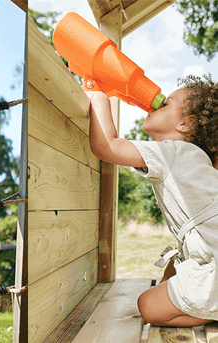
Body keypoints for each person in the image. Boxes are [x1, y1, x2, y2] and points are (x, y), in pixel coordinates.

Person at [87, 75, 218, 327]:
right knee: (171, 269)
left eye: (165, 104)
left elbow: (107, 146)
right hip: (208, 256)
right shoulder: (194, 158)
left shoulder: (173, 152)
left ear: (185, 124)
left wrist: (98, 95)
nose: (154, 105)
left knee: (147, 306)